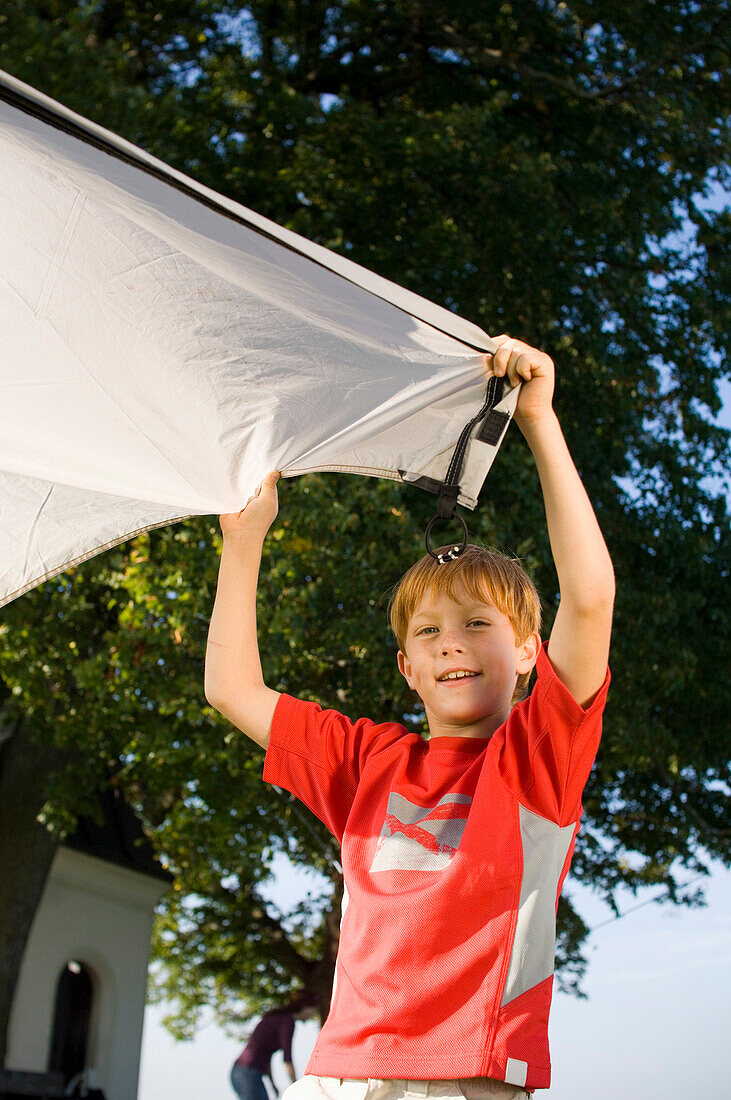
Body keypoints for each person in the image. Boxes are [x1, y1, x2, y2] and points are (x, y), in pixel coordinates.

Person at [206, 336, 615, 1099]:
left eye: (476, 624)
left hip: (467, 1078)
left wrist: (538, 420)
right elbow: (232, 690)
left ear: (528, 651)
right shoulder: (365, 761)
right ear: (406, 668)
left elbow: (589, 600)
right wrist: (243, 540)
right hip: (340, 1075)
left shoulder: (538, 758)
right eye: (427, 631)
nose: (450, 644)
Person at [231, 991, 319, 1100]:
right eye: (313, 1009)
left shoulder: (280, 1019)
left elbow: (265, 1055)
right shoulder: (287, 1022)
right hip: (247, 1073)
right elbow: (287, 1058)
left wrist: (272, 1083)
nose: (313, 1014)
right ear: (304, 1007)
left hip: (243, 1073)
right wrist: (296, 1087)